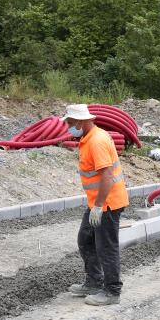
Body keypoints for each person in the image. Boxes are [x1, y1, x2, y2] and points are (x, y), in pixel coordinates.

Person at [63, 104, 129, 306]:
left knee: (106, 247)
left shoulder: (97, 141)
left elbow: (107, 176)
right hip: (98, 202)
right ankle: (94, 281)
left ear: (81, 121)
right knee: (86, 239)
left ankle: (112, 291)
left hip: (107, 203)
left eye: (71, 123)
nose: (69, 127)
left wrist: (99, 206)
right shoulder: (89, 137)